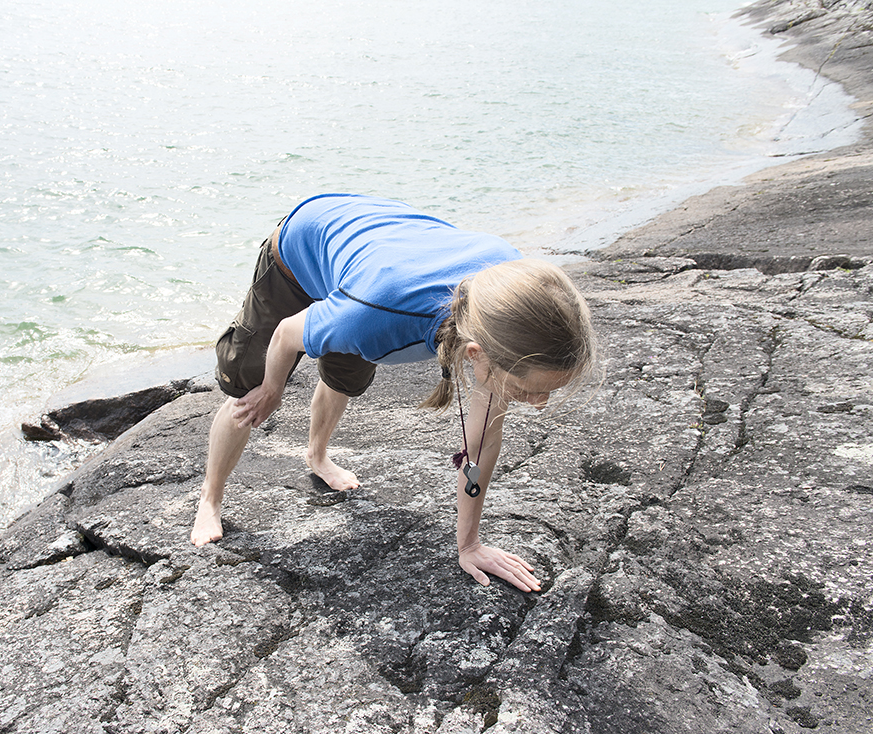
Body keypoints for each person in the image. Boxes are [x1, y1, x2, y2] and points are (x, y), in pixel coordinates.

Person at [191, 193, 597, 592]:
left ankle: (316, 457)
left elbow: (481, 443)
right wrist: (273, 388)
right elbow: (285, 336)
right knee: (248, 388)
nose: (538, 404)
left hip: (377, 262)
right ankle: (209, 498)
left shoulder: (513, 302)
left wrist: (469, 545)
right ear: (477, 354)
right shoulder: (373, 318)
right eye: (528, 389)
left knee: (343, 377)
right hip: (301, 250)